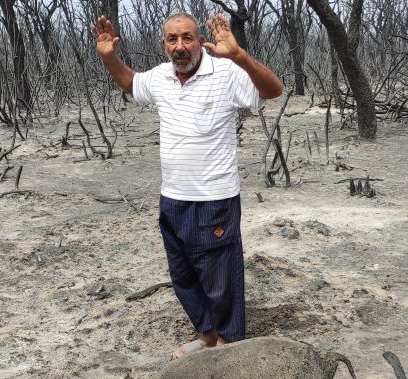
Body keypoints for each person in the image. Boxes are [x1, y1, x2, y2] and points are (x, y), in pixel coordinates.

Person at [91, 12, 283, 358]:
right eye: (172, 39)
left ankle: (227, 347)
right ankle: (208, 337)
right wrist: (109, 58)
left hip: (214, 197)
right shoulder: (162, 77)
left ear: (199, 41)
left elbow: (273, 90)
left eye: (187, 38)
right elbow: (131, 84)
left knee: (220, 278)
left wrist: (239, 55)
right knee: (183, 275)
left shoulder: (224, 72)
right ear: (164, 44)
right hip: (173, 197)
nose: (180, 47)